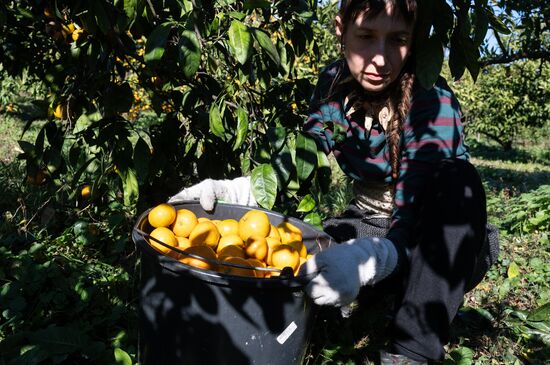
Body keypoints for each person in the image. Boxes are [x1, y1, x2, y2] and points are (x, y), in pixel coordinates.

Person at [168, 0, 499, 363]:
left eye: (397, 39)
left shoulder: (432, 100)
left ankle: (413, 351)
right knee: (303, 260)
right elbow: (309, 150)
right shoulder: (334, 83)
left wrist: (373, 258)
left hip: (440, 244)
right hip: (371, 225)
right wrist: (242, 189)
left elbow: (413, 211)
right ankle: (378, 294)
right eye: (366, 36)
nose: (380, 59)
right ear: (341, 29)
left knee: (457, 181)